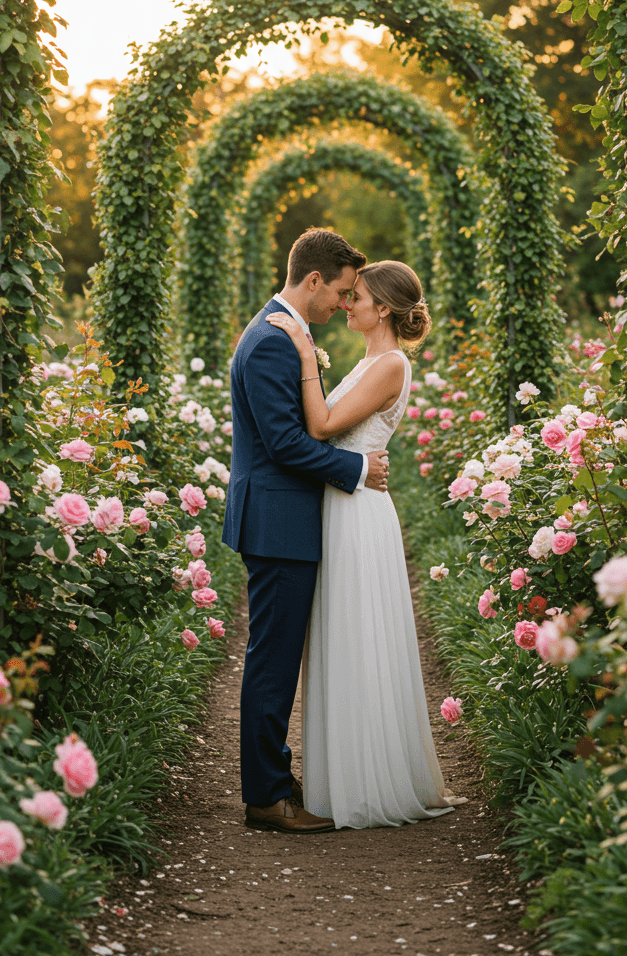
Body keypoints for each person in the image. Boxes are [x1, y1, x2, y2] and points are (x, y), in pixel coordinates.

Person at [266, 260, 461, 828]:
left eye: (358, 297)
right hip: (344, 502)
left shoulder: (391, 363)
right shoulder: (372, 360)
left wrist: (305, 357)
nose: (348, 304)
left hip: (358, 513)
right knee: (342, 635)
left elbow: (323, 427)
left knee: (357, 634)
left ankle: (368, 782)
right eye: (348, 295)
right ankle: (342, 776)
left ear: (385, 308)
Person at [223, 228, 391, 834]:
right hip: (277, 519)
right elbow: (287, 443)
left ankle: (275, 777)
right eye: (341, 292)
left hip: (280, 517)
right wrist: (358, 468)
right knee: (273, 660)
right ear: (314, 279)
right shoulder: (272, 339)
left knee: (278, 655)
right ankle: (266, 797)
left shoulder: (279, 332)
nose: (343, 305)